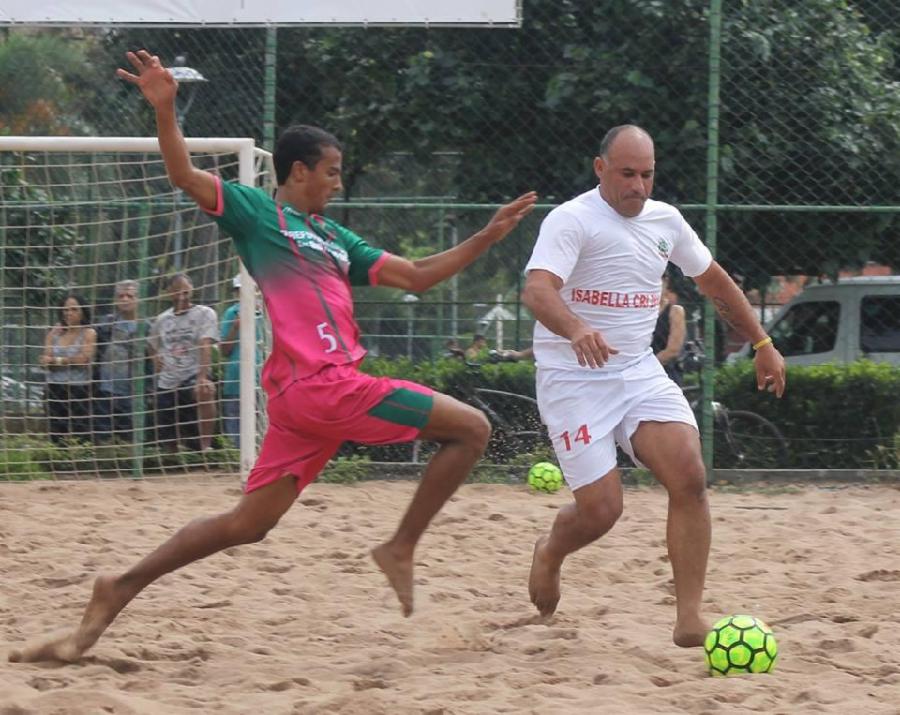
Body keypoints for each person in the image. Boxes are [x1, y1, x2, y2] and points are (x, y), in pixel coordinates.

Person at [6, 49, 536, 664]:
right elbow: (183, 174)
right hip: (322, 386)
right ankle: (399, 547)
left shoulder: (338, 240)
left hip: (302, 398)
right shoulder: (259, 212)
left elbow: (417, 275)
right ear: (300, 171)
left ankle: (118, 586)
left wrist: (488, 234)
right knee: (472, 429)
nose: (339, 183)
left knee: (247, 525)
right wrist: (166, 108)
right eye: (333, 172)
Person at [521, 125, 785, 648]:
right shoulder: (571, 219)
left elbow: (713, 280)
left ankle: (689, 616)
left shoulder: (667, 221)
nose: (638, 186)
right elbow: (536, 290)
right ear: (600, 168)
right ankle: (550, 550)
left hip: (637, 370)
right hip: (572, 377)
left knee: (689, 475)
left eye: (646, 175)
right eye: (626, 174)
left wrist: (761, 342)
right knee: (602, 511)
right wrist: (576, 328)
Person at [148, 273, 219, 452]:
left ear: (192, 289)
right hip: (168, 379)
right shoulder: (162, 319)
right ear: (169, 293)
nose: (181, 295)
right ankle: (171, 452)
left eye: (185, 290)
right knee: (164, 416)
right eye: (176, 291)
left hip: (193, 374)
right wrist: (155, 357)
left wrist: (202, 377)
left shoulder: (205, 313)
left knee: (205, 391)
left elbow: (205, 345)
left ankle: (205, 447)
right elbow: (151, 344)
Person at [39, 294, 97, 444]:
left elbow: (83, 360)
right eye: (65, 310)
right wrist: (56, 360)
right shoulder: (54, 332)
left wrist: (56, 360)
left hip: (79, 388)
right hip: (54, 387)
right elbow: (45, 361)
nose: (68, 313)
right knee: (56, 431)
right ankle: (58, 462)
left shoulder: (88, 333)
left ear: (82, 311)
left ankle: (81, 462)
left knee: (80, 431)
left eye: (74, 309)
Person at [93, 279, 142, 443]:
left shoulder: (147, 327)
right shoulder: (105, 324)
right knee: (101, 439)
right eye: (121, 296)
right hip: (105, 390)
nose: (125, 299)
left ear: (138, 299)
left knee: (130, 439)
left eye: (130, 295)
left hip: (133, 393)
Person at [219, 273, 262, 449]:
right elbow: (224, 350)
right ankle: (235, 456)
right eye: (239, 290)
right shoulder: (231, 313)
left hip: (262, 379)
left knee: (260, 421)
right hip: (235, 380)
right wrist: (235, 328)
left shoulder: (266, 312)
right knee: (235, 421)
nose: (242, 294)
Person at [651, 274, 687, 385]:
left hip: (664, 373)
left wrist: (647, 366)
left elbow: (673, 350)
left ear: (666, 282)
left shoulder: (675, 311)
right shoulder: (640, 310)